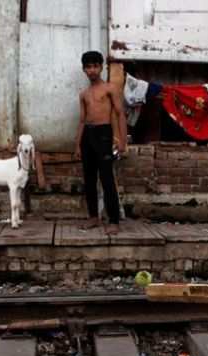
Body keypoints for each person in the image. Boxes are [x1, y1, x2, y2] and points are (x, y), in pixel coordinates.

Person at [74, 50, 126, 235]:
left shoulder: (110, 89)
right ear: (84, 70)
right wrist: (77, 145)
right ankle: (93, 217)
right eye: (88, 67)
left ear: (101, 67)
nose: (92, 70)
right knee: (89, 179)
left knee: (106, 178)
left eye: (95, 66)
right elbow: (81, 120)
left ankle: (113, 220)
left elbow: (120, 114)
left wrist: (122, 141)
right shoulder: (84, 94)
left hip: (104, 134)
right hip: (88, 135)